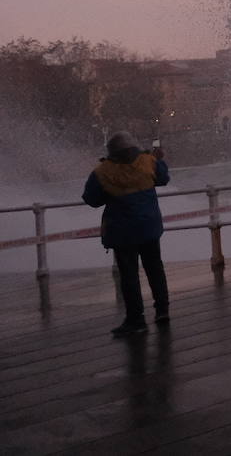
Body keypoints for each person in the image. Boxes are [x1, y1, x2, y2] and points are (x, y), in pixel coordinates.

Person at [82, 132, 171, 336]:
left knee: (129, 275)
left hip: (122, 232)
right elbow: (163, 179)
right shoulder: (148, 162)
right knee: (155, 268)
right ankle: (162, 310)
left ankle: (136, 319)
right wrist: (159, 159)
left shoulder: (103, 172)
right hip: (148, 227)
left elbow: (91, 199)